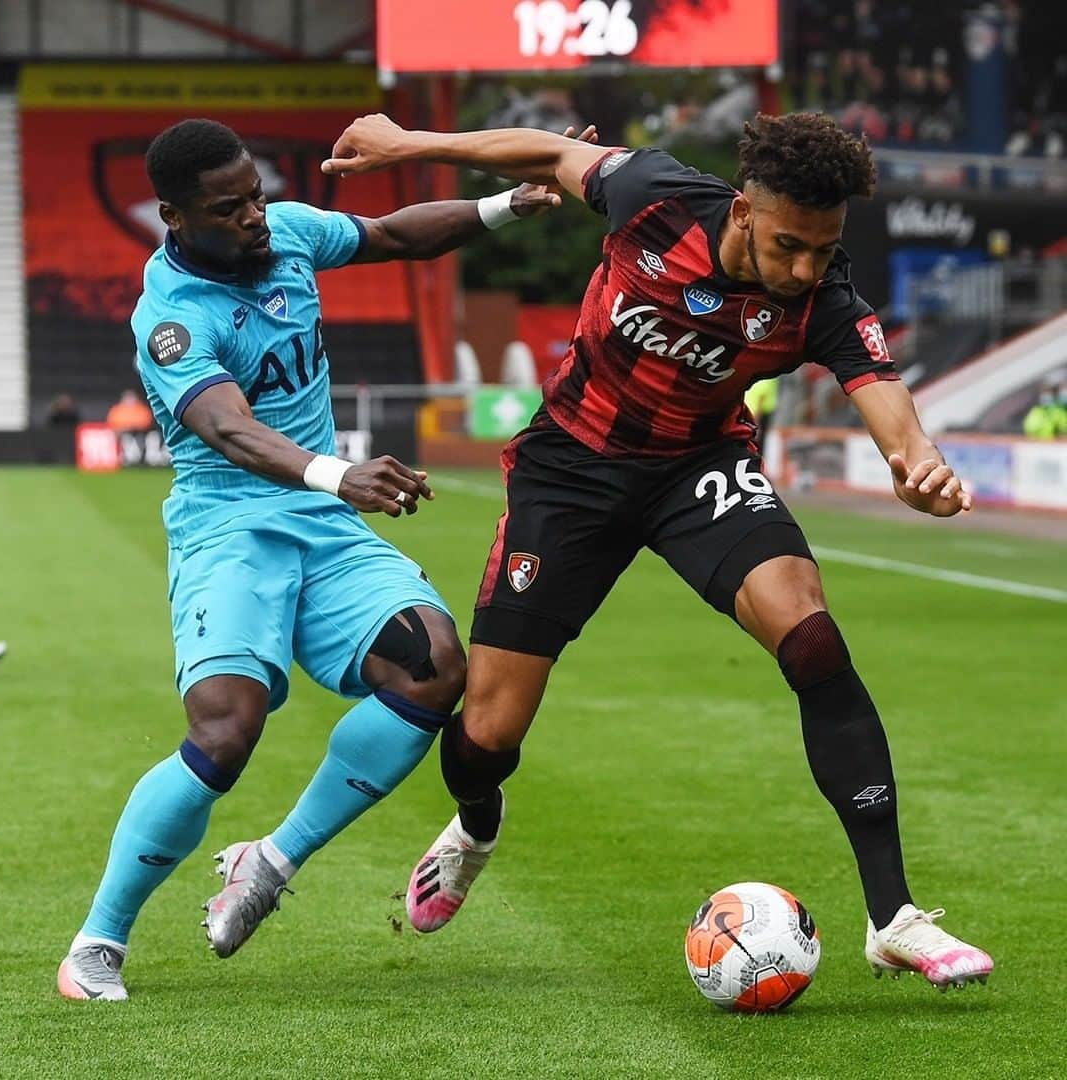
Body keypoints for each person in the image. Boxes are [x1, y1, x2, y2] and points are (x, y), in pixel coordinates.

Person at [321, 111, 994, 990]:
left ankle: (892, 917)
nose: (803, 270)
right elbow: (550, 151)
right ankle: (475, 829)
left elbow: (885, 399)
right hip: (571, 470)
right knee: (485, 733)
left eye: (822, 252)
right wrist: (410, 147)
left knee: (815, 639)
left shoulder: (824, 300)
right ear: (745, 210)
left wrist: (920, 468)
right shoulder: (655, 198)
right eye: (789, 245)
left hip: (697, 470)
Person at [56, 117, 564, 1002]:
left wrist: (504, 206)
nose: (256, 216)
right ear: (172, 218)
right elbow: (227, 427)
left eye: (255, 193)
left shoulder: (284, 232)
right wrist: (338, 473)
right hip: (231, 527)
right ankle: (97, 942)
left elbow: (395, 235)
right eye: (231, 207)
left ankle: (272, 860)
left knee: (432, 666)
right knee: (224, 730)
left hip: (324, 530)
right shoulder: (171, 318)